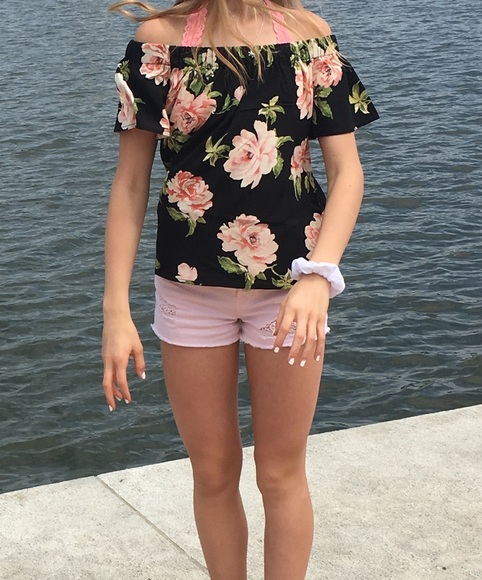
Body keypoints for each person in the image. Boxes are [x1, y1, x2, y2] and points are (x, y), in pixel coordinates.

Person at [102, 0, 378, 577]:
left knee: (280, 472)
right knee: (212, 472)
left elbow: (347, 173)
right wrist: (116, 313)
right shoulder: (160, 42)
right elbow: (129, 184)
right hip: (187, 290)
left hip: (291, 293)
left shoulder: (308, 38)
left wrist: (319, 275)